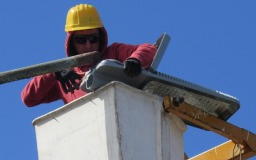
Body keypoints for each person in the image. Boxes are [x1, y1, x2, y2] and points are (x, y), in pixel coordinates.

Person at [21, 4, 157, 107]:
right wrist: (53, 72)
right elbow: (29, 98)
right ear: (72, 42)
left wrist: (135, 60)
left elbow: (149, 49)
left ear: (101, 37)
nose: (88, 45)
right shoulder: (63, 78)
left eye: (93, 39)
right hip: (87, 131)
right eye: (81, 40)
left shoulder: (113, 53)